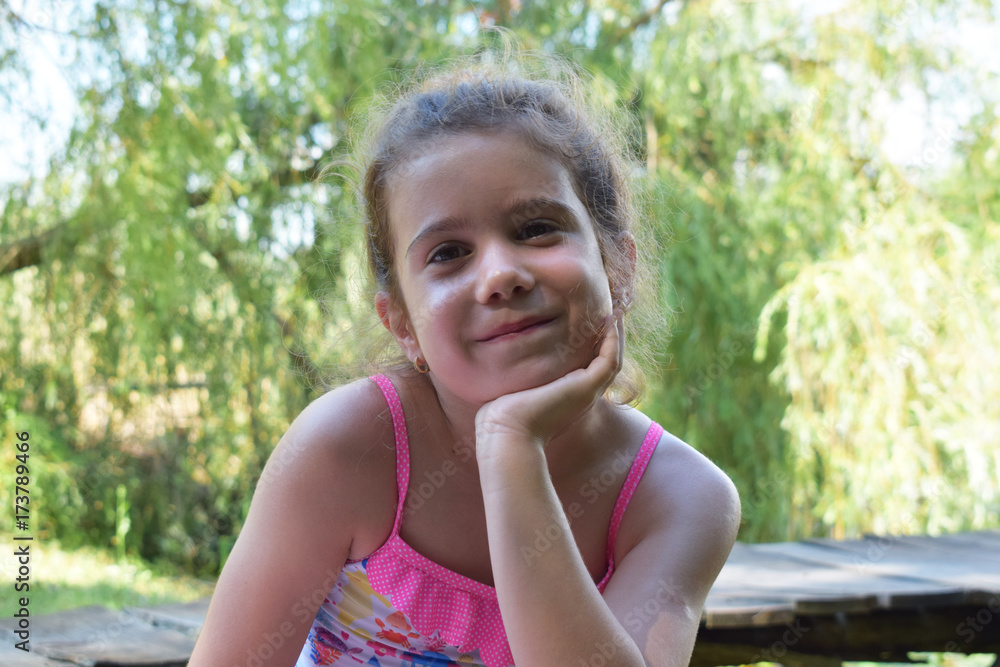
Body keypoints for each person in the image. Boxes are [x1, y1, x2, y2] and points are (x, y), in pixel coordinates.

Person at [189, 46, 740, 667]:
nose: (500, 275)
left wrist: (510, 446)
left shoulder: (680, 498)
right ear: (400, 323)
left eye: (536, 228)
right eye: (449, 253)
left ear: (618, 266)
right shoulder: (346, 448)